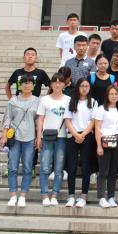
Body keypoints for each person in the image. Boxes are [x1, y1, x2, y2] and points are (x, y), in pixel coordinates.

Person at [0, 76, 40, 207]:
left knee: (28, 167)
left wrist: (39, 137)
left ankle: (23, 195)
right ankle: (13, 195)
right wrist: (4, 135)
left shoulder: (38, 101)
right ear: (19, 85)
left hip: (30, 138)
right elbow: (7, 119)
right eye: (24, 83)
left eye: (29, 83)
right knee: (12, 167)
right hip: (15, 137)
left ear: (33, 85)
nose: (26, 85)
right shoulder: (13, 101)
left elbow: (39, 121)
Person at [37, 73, 70, 206]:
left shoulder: (68, 100)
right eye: (55, 82)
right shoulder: (44, 100)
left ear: (64, 84)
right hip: (46, 137)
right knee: (45, 167)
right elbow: (40, 119)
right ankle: (44, 194)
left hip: (62, 138)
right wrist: (38, 136)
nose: (57, 84)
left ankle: (55, 194)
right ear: (50, 84)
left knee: (59, 168)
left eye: (60, 82)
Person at [64, 77, 96, 208]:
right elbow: (67, 120)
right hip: (72, 135)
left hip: (86, 136)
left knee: (86, 166)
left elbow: (93, 122)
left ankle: (83, 196)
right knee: (71, 167)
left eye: (86, 86)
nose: (84, 88)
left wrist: (83, 134)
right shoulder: (71, 101)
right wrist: (76, 134)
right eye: (82, 86)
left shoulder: (93, 102)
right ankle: (71, 196)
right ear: (78, 87)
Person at [94, 85, 118, 208]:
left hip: (117, 141)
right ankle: (102, 197)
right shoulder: (101, 109)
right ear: (107, 96)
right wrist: (98, 146)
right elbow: (97, 128)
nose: (113, 96)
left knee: (113, 171)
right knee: (103, 171)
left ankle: (111, 197)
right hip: (104, 141)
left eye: (116, 94)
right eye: (111, 94)